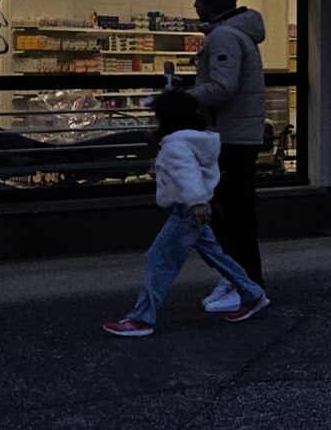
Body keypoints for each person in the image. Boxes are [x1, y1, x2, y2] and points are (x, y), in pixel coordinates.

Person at [103, 89, 267, 337]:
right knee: (216, 255)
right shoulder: (196, 141)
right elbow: (191, 172)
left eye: (157, 117)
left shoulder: (174, 146)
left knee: (158, 259)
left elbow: (186, 174)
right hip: (196, 208)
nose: (154, 121)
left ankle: (141, 318)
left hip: (186, 210)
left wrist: (195, 201)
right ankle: (252, 293)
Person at [184, 0, 270, 313]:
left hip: (229, 137)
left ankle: (244, 284)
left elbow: (223, 86)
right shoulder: (239, 33)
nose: (195, 5)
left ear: (211, 3)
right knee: (237, 214)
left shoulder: (223, 36)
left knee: (230, 215)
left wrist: (183, 99)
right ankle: (240, 279)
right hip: (239, 135)